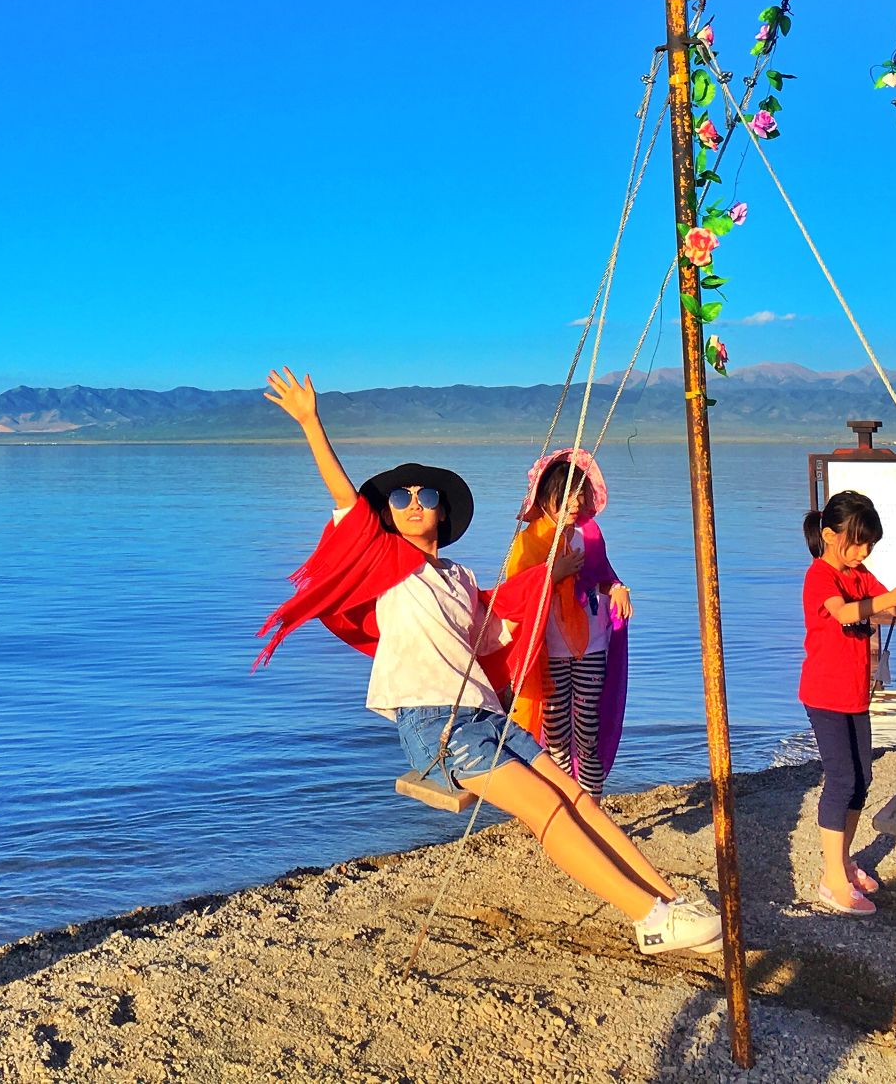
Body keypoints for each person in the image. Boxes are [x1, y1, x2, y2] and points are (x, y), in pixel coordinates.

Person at [254, 367, 722, 959]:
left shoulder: (460, 577)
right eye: (401, 497)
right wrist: (310, 421)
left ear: (445, 514)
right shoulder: (384, 566)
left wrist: (551, 575)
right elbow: (346, 502)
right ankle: (648, 918)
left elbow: (495, 625)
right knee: (546, 809)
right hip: (436, 725)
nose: (414, 502)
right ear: (389, 515)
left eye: (426, 497)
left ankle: (668, 898)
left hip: (485, 717)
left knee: (576, 794)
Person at [800, 489, 896, 914]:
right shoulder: (821, 576)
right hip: (824, 694)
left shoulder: (860, 574)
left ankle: (843, 863)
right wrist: (889, 599)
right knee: (841, 780)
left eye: (869, 545)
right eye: (857, 542)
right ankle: (831, 879)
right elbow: (847, 613)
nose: (863, 551)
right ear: (830, 535)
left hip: (855, 695)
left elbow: (893, 611)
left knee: (862, 779)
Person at [501, 448, 631, 799]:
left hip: (591, 644)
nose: (575, 502)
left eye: (580, 493)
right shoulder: (529, 543)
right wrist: (552, 574)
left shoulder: (589, 535)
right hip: (550, 651)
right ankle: (563, 805)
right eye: (566, 495)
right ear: (544, 498)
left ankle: (592, 804)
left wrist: (617, 588)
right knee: (555, 732)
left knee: (587, 731)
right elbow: (513, 597)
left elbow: (600, 577)